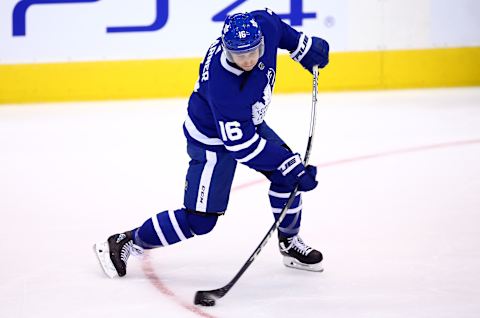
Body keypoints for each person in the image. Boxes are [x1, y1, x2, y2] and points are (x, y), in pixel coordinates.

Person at [94, 8, 329, 278]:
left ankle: (289, 243)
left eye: (254, 51)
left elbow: (277, 26)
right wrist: (286, 164)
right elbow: (242, 147)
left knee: (288, 180)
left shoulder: (263, 25)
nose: (249, 59)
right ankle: (127, 240)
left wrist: (302, 45)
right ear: (226, 50)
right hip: (211, 141)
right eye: (240, 55)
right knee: (200, 220)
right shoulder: (223, 85)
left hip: (246, 125)